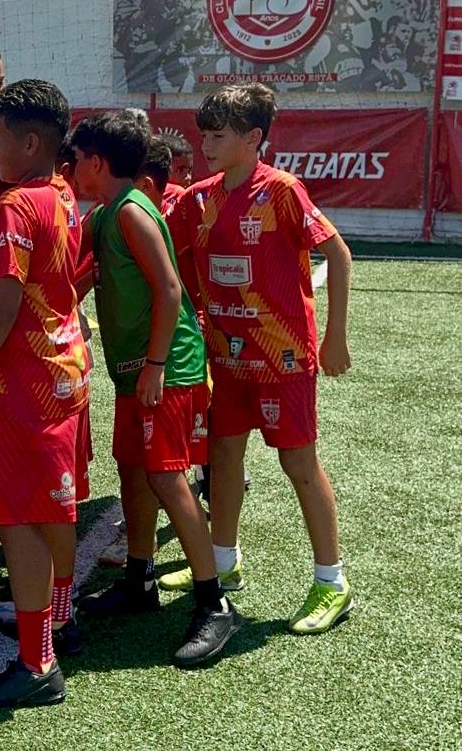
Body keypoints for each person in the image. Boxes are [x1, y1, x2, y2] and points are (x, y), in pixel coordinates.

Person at [159, 83, 355, 635]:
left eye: (217, 136)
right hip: (227, 360)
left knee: (298, 464)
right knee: (223, 458)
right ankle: (223, 563)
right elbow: (172, 257)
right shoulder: (199, 196)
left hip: (284, 359)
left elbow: (337, 253)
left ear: (253, 139)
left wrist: (334, 336)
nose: (205, 145)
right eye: (202, 135)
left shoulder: (284, 191)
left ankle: (331, 581)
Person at [70, 112, 240, 666]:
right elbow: (80, 276)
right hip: (135, 370)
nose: (70, 171)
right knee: (134, 470)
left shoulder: (132, 213)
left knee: (167, 477)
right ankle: (140, 578)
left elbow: (170, 291)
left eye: (75, 161)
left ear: (95, 164)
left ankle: (213, 605)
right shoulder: (107, 213)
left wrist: (156, 365)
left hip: (167, 369)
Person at [0, 79, 89, 709]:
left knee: (18, 522)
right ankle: (56, 620)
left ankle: (36, 664)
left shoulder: (16, 205)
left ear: (30, 142)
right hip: (65, 374)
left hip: (27, 387)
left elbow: (2, 307)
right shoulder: (63, 193)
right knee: (51, 510)